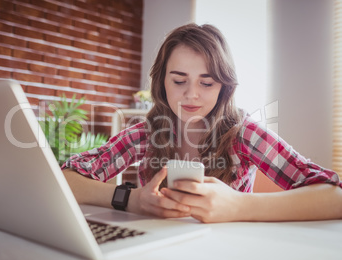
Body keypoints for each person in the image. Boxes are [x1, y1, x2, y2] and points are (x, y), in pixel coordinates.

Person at [62, 23, 342, 223]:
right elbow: (65, 178)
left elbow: (334, 196)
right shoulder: (146, 134)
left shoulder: (243, 133)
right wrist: (131, 199)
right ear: (161, 82)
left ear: (224, 87)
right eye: (179, 80)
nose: (191, 94)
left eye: (206, 82)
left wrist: (238, 206)